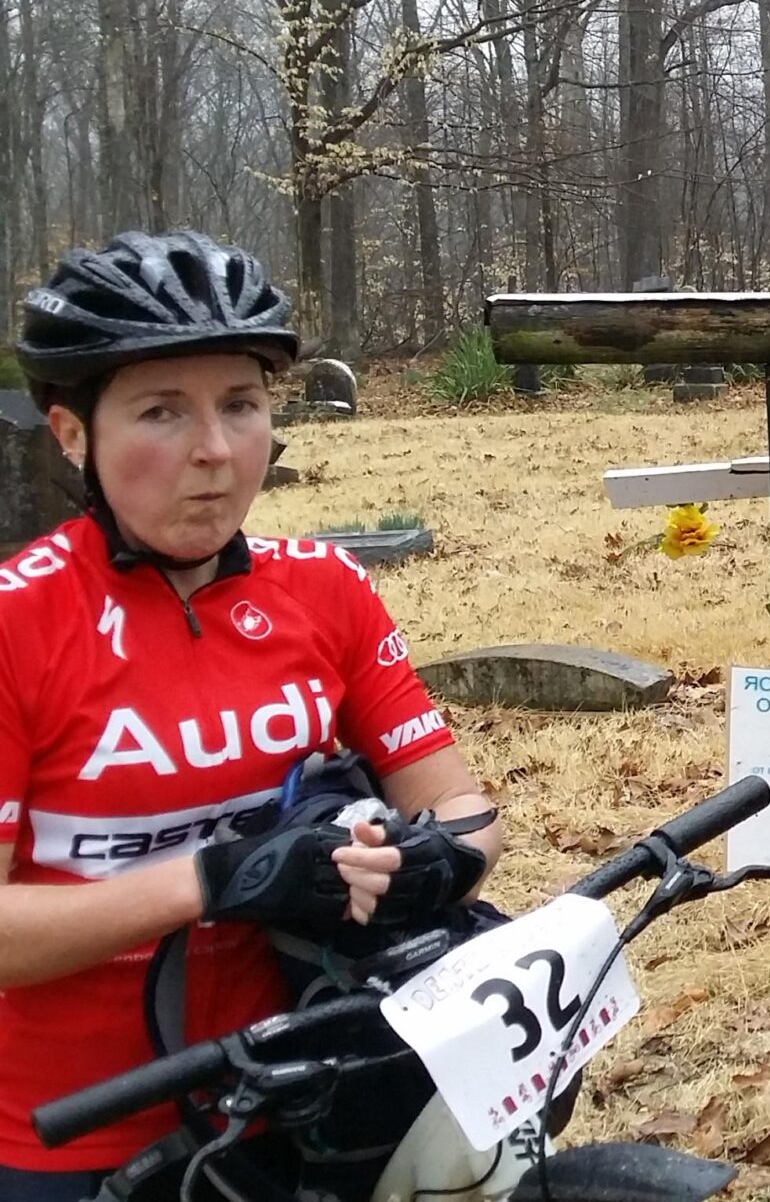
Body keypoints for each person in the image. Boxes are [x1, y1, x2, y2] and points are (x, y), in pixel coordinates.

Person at [0, 232, 503, 1201]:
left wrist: (436, 860)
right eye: (161, 411)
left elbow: (458, 803)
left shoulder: (324, 588)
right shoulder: (20, 623)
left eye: (240, 405)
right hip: (67, 1140)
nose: (216, 452)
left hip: (299, 1096)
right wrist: (212, 880)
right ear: (71, 434)